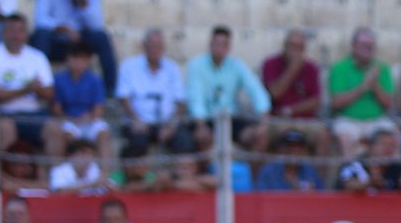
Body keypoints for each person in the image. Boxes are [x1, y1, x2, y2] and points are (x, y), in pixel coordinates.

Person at [185, 25, 270, 154]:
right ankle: (211, 168)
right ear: (210, 44)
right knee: (202, 137)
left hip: (231, 119)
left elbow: (256, 90)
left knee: (259, 137)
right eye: (216, 44)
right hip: (206, 119)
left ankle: (250, 168)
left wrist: (263, 121)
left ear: (229, 47)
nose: (219, 48)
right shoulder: (196, 65)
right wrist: (201, 125)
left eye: (223, 45)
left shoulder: (237, 65)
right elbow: (196, 98)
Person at [30, 0, 116, 95]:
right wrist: (63, 28)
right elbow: (41, 18)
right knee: (41, 35)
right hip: (55, 37)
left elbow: (96, 25)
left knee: (102, 37)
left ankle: (109, 89)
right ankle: (40, 84)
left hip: (80, 39)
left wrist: (83, 1)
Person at [0, 13, 54, 155]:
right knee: (6, 128)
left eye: (20, 30)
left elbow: (49, 93)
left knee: (55, 130)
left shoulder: (38, 57)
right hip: (0, 113)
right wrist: (26, 89)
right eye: (12, 30)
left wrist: (31, 89)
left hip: (33, 114)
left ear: (27, 34)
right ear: (3, 33)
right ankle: (3, 170)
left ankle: (54, 170)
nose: (16, 35)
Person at [117, 27, 194, 155]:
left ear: (163, 48)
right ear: (144, 46)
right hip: (138, 124)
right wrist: (136, 119)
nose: (154, 49)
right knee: (137, 145)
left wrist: (171, 125)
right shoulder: (129, 66)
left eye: (158, 46)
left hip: (166, 124)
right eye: (151, 45)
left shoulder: (172, 68)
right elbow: (123, 97)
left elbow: (181, 102)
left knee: (185, 143)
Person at [328, 26, 397, 157]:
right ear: (353, 46)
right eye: (364, 45)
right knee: (345, 138)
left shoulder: (382, 68)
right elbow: (336, 103)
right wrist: (363, 86)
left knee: (395, 136)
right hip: (348, 120)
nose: (368, 49)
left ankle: (392, 171)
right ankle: (350, 170)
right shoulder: (339, 68)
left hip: (377, 120)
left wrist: (375, 85)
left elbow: (389, 104)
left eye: (371, 46)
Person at [260, 28, 328, 157]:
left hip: (305, 121)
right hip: (278, 120)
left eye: (299, 47)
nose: (295, 50)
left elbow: (316, 101)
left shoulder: (311, 68)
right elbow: (274, 93)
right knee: (261, 135)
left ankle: (319, 171)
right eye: (292, 46)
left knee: (323, 136)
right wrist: (292, 69)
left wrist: (290, 111)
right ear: (284, 46)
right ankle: (257, 171)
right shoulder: (270, 64)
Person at [45, 39, 111, 160]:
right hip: (67, 121)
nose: (78, 62)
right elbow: (56, 109)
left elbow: (99, 109)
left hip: (89, 121)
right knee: (64, 132)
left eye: (82, 58)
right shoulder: (59, 79)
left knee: (104, 133)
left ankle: (104, 170)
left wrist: (89, 117)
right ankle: (63, 168)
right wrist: (71, 119)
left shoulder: (95, 80)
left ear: (88, 60)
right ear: (68, 58)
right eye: (75, 58)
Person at [337, 126, 401, 192]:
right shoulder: (353, 165)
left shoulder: (397, 168)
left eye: (392, 145)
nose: (388, 149)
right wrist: (370, 183)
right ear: (370, 146)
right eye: (383, 144)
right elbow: (347, 184)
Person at [254, 128, 323, 191]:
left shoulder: (311, 172)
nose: (293, 150)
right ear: (280, 149)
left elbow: (322, 196)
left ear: (304, 150)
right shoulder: (268, 172)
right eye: (289, 146)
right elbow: (261, 196)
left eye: (298, 147)